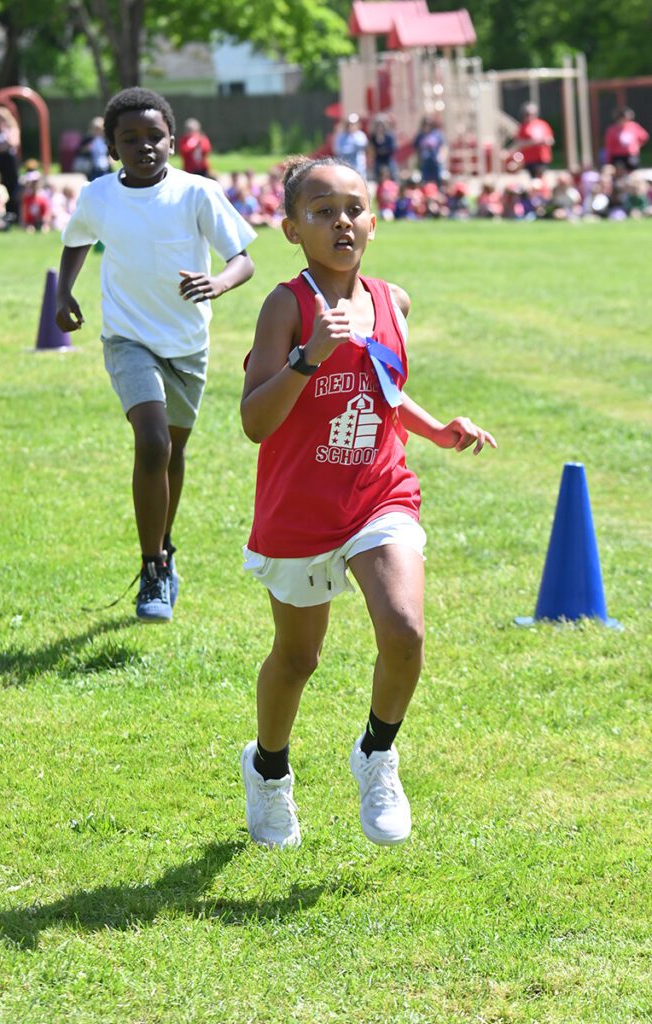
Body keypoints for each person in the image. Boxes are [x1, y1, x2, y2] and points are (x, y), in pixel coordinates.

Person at [239, 156, 497, 849]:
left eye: (352, 208)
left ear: (373, 223)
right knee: (298, 659)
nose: (340, 222)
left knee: (404, 630)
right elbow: (254, 423)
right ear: (291, 229)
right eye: (321, 211)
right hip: (299, 506)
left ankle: (377, 753)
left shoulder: (392, 301)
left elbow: (384, 386)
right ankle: (267, 770)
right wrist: (306, 358)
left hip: (378, 493)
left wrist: (434, 428)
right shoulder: (285, 306)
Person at [55, 87, 257, 623]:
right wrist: (63, 292)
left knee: (173, 453)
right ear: (113, 148)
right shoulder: (99, 195)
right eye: (130, 139)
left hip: (188, 344)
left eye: (154, 137)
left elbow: (243, 258)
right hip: (128, 338)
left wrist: (217, 283)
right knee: (152, 440)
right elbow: (77, 239)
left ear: (172, 140)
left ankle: (165, 549)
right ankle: (151, 570)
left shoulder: (198, 193)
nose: (144, 146)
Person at [511, 102, 554, 179]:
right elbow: (519, 143)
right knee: (534, 180)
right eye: (527, 114)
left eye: (532, 114)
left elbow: (550, 140)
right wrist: (535, 142)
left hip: (542, 158)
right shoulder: (523, 127)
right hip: (529, 159)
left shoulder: (543, 124)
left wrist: (538, 142)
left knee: (541, 179)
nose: (530, 116)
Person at [603, 107, 649, 175]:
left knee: (633, 169)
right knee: (618, 168)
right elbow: (609, 146)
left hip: (631, 154)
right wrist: (609, 159)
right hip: (618, 155)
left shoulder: (633, 126)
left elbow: (644, 137)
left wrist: (637, 146)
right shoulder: (612, 130)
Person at [72, 116, 113, 181]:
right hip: (92, 169)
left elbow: (112, 151)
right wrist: (86, 149)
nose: (97, 132)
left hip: (106, 168)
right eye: (95, 129)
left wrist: (111, 158)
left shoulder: (106, 140)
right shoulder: (87, 140)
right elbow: (78, 151)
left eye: (99, 129)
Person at [412, 116, 446, 187]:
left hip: (435, 161)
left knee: (439, 179)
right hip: (424, 162)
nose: (427, 126)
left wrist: (441, 157)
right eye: (425, 124)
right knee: (424, 181)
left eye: (428, 124)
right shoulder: (420, 135)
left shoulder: (437, 134)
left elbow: (443, 146)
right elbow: (416, 149)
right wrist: (418, 160)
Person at [332, 114, 369, 179]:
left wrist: (353, 137)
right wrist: (349, 150)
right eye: (349, 124)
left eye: (353, 124)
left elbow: (362, 146)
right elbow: (337, 150)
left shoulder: (361, 135)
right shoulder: (341, 136)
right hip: (344, 167)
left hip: (359, 168)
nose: (351, 126)